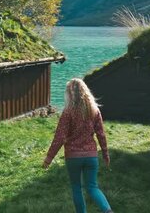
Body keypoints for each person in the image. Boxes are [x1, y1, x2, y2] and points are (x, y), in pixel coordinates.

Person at [43, 78, 113, 213]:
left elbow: (60, 137)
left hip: (73, 157)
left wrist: (49, 158)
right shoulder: (95, 110)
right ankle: (108, 211)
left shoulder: (68, 112)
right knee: (93, 187)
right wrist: (105, 154)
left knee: (76, 188)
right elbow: (101, 134)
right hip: (91, 156)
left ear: (69, 94)